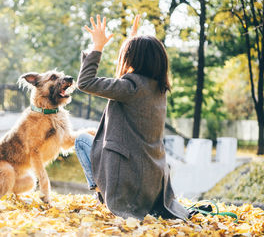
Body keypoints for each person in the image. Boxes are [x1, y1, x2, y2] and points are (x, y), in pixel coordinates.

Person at [74, 14, 189, 220]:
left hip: (127, 182)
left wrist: (97, 46)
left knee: (82, 139)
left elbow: (85, 82)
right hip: (152, 183)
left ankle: (101, 193)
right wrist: (133, 40)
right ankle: (104, 190)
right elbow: (127, 74)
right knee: (96, 142)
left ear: (132, 59)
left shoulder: (130, 87)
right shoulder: (158, 88)